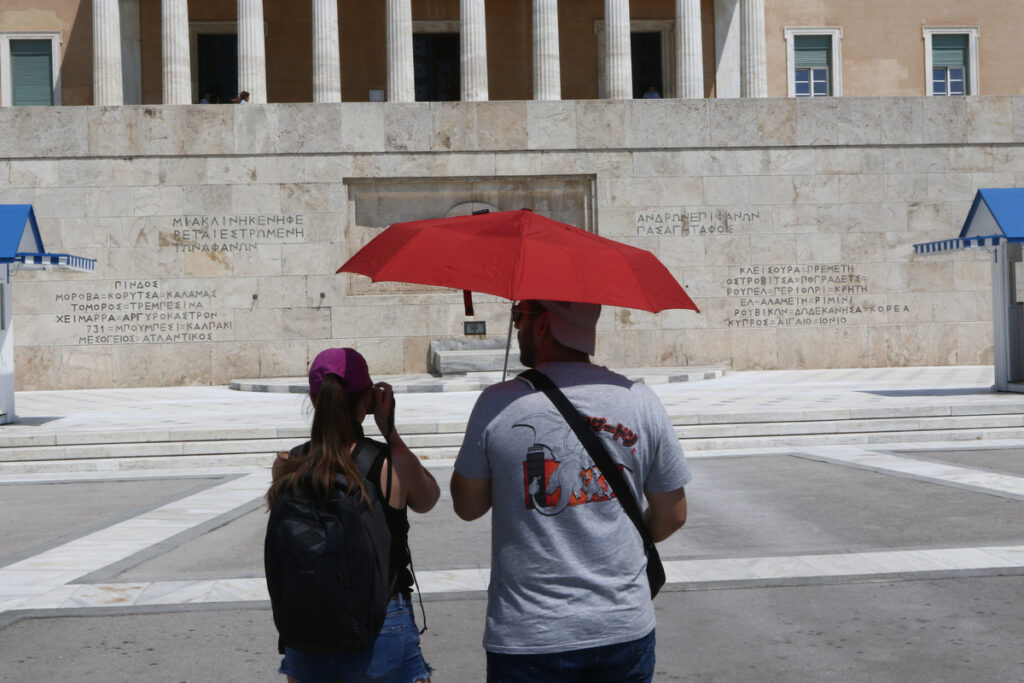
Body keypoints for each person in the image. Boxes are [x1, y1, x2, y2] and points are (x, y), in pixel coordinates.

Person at [451, 300, 691, 682]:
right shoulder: (640, 400)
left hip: (530, 634)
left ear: (543, 323)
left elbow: (467, 505)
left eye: (519, 317)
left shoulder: (497, 404)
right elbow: (673, 513)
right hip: (622, 625)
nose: (517, 328)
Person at [267, 347, 439, 683]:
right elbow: (429, 498)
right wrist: (390, 430)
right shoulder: (388, 463)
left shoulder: (287, 465)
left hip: (307, 629)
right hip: (381, 622)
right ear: (368, 399)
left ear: (314, 401)